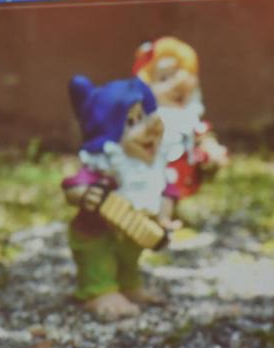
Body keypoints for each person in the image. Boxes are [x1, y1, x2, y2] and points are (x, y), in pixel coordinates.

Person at [62, 75, 175, 321]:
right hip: (98, 231)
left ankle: (128, 285)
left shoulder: (154, 170)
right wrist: (86, 195)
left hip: (134, 231)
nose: (150, 130)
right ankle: (99, 291)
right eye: (133, 121)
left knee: (129, 260)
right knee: (99, 259)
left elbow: (167, 193)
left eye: (146, 116)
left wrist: (164, 219)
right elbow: (72, 187)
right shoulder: (106, 167)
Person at [133, 36, 229, 202]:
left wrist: (211, 148)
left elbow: (202, 136)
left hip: (185, 174)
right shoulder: (152, 121)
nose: (175, 86)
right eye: (164, 78)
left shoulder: (189, 118)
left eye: (179, 73)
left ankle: (177, 201)